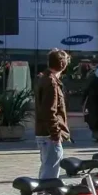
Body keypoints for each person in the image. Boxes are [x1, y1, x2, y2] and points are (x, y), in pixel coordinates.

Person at [34, 48, 70, 179]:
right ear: (63, 65)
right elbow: (49, 111)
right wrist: (56, 134)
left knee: (47, 168)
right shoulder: (51, 82)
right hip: (49, 135)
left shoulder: (45, 78)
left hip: (44, 133)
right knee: (50, 174)